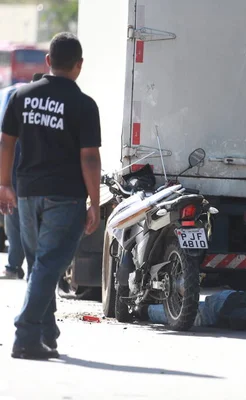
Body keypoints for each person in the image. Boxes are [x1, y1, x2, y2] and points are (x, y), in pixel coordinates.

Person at [0, 32, 102, 360]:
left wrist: (4, 184)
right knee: (48, 265)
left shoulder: (22, 96)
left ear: (48, 61)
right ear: (79, 66)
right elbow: (89, 157)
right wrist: (95, 203)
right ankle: (26, 332)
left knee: (40, 265)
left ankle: (46, 335)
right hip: (65, 197)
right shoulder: (83, 105)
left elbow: (5, 142)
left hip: (27, 194)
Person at [0, 73, 44, 280]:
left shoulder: (21, 113)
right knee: (23, 226)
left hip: (22, 182)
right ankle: (20, 267)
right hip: (27, 183)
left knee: (19, 226)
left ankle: (18, 267)